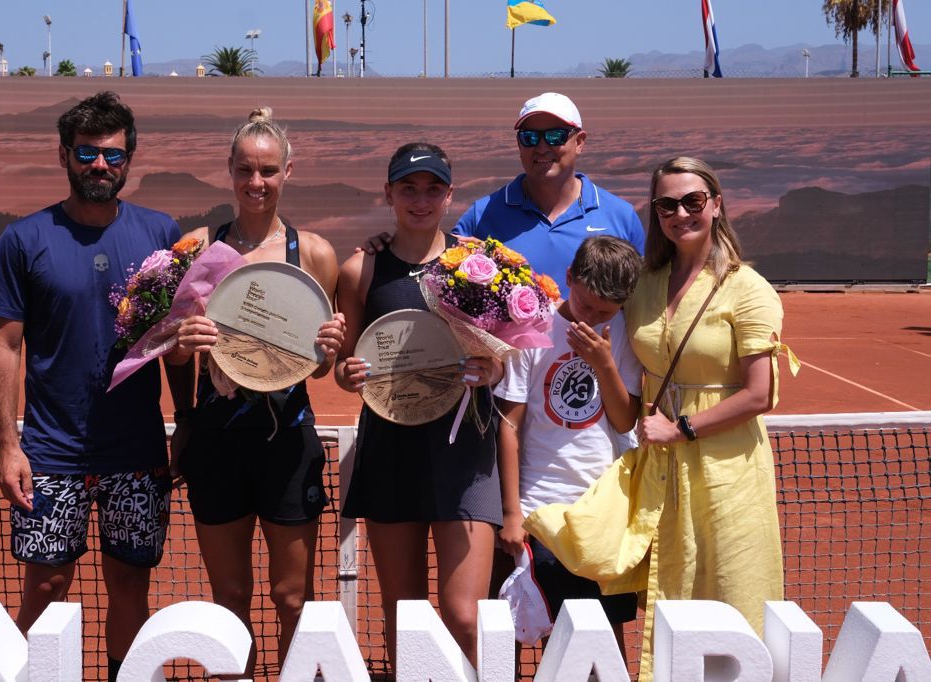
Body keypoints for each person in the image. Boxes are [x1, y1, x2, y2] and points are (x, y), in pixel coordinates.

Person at [527, 156, 797, 681]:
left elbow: (761, 394)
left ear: (716, 205)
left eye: (693, 201)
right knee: (668, 588)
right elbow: (584, 299)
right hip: (659, 467)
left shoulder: (749, 288)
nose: (681, 213)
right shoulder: (645, 285)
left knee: (730, 587)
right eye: (667, 204)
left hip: (726, 467)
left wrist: (683, 428)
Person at [0, 91, 195, 682]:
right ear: (64, 156)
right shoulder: (23, 240)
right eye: (86, 153)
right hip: (52, 453)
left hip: (137, 450)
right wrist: (7, 445)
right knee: (47, 582)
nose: (100, 166)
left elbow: (176, 343)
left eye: (113, 156)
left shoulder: (161, 234)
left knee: (129, 581)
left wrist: (187, 423)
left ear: (130, 158)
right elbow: (3, 347)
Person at [164, 107, 345, 673]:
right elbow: (169, 351)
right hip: (217, 443)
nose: (256, 182)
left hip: (289, 442)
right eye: (245, 170)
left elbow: (315, 370)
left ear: (288, 171)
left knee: (292, 597)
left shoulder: (312, 253)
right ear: (230, 171)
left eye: (268, 170)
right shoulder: (197, 246)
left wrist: (330, 348)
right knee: (230, 600)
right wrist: (183, 348)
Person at [335, 143, 503, 668]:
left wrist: (491, 369)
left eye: (433, 188)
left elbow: (499, 357)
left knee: (466, 616)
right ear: (389, 194)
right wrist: (348, 373)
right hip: (391, 448)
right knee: (404, 616)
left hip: (464, 451)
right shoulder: (361, 268)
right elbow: (345, 365)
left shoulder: (476, 265)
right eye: (408, 187)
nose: (421, 199)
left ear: (450, 195)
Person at [493, 235, 643, 658]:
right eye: (586, 305)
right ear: (570, 278)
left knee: (606, 635)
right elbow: (509, 425)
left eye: (606, 311)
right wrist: (511, 511)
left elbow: (624, 419)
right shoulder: (535, 330)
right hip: (544, 508)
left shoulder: (622, 335)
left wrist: (605, 363)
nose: (594, 317)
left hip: (605, 508)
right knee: (542, 631)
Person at [362, 93, 644, 299]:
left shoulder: (621, 216)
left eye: (556, 136)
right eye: (530, 137)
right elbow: (436, 258)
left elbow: (639, 300)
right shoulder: (482, 214)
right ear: (519, 144)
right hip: (509, 379)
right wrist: (388, 246)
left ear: (580, 142)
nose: (542, 147)